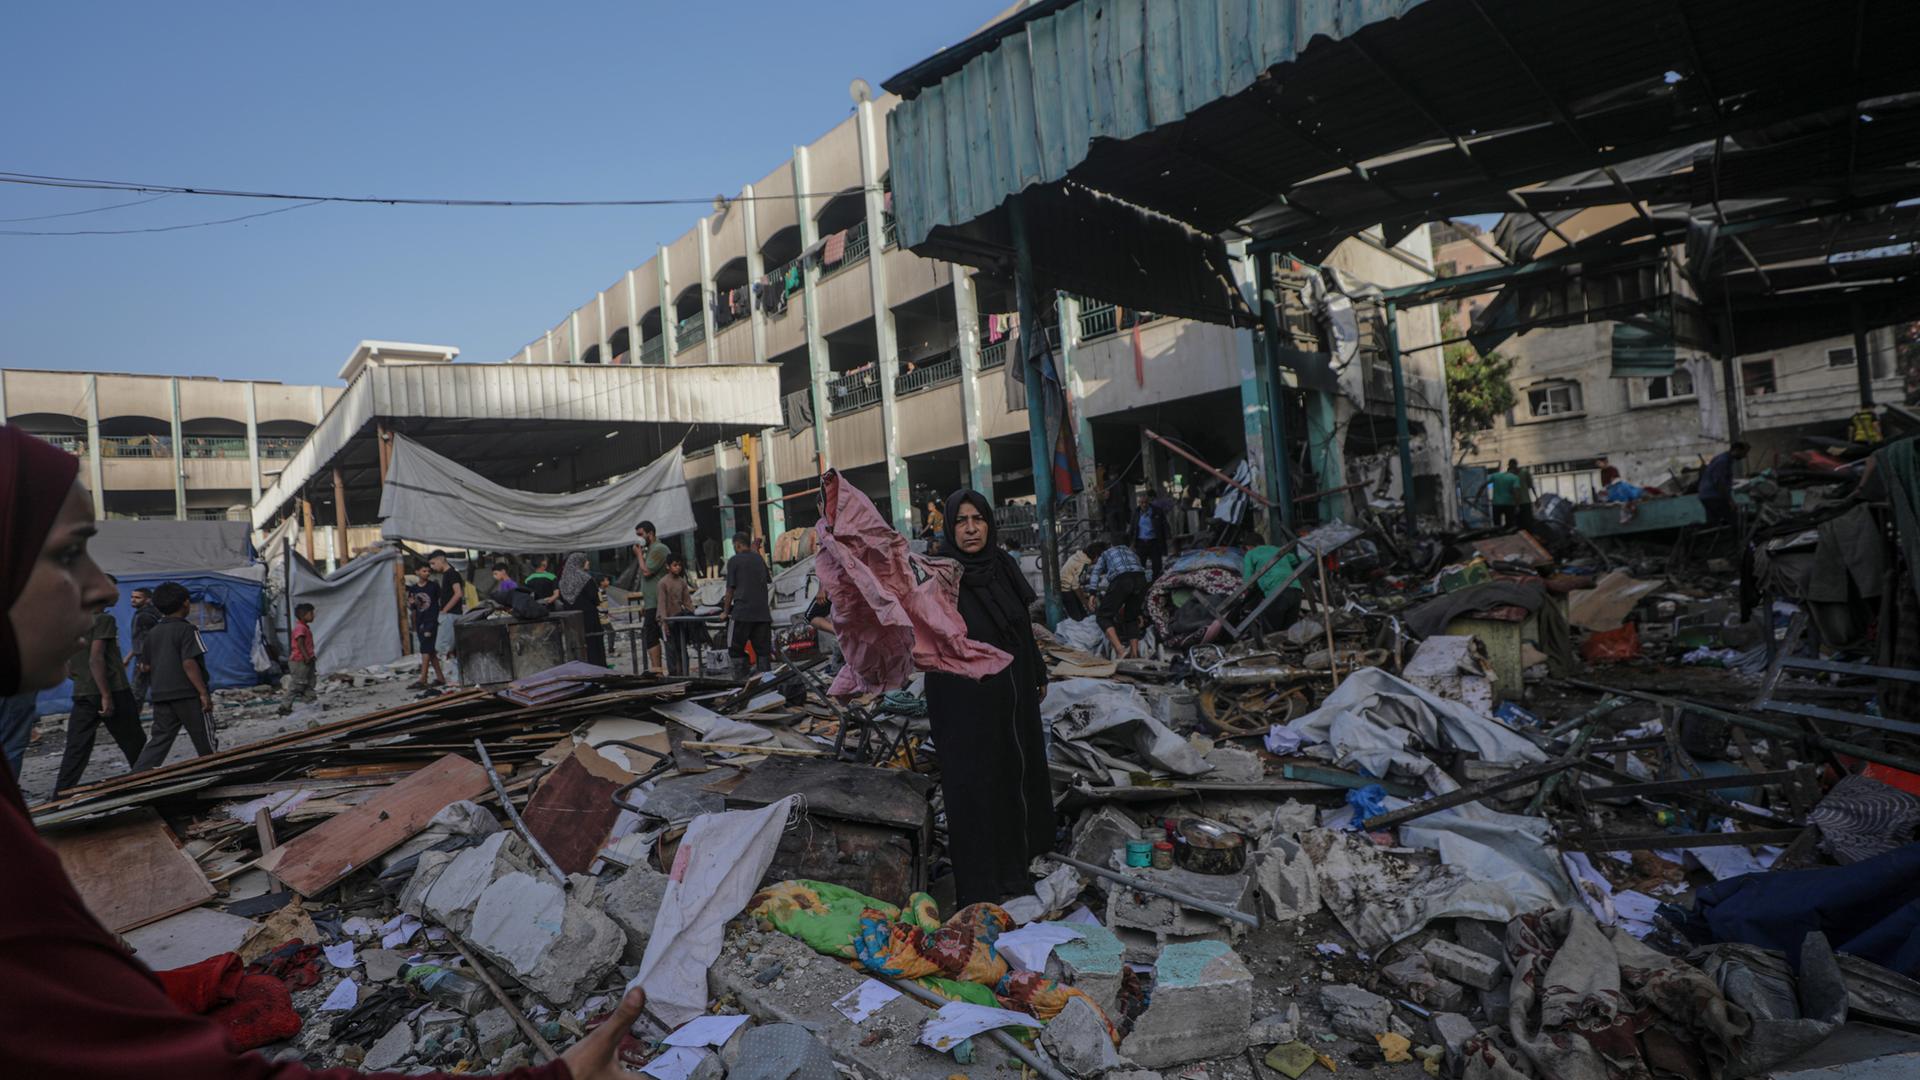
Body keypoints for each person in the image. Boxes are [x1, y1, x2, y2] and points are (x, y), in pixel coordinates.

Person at [0, 427, 657, 1078]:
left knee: (173, 749)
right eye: (68, 554)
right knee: (173, 750)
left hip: (170, 704)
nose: (102, 587)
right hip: (176, 701)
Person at [923, 489, 1053, 905]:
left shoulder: (1003, 567)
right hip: (964, 704)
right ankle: (979, 889)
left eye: (977, 519)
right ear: (949, 527)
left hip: (1012, 698)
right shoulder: (940, 577)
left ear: (990, 523)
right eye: (961, 521)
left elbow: (1020, 626)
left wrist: (1037, 669)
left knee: (1014, 779)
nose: (971, 528)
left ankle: (1016, 875)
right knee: (974, 788)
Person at [54, 577, 146, 795]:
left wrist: (78, 677)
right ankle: (149, 783)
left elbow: (65, 659)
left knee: (77, 748)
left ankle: (60, 795)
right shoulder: (103, 620)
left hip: (83, 692)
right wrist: (106, 695)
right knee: (135, 743)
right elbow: (96, 658)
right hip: (113, 690)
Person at [128, 582, 215, 771]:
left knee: (159, 740)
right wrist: (203, 693)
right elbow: (189, 662)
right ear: (186, 604)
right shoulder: (188, 630)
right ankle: (215, 772)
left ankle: (137, 777)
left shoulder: (153, 633)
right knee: (204, 740)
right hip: (188, 694)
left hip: (161, 694)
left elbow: (145, 665)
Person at [1086, 533, 1150, 658]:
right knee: (1131, 617)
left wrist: (1092, 593)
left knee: (1103, 616)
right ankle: (1134, 654)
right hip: (1141, 580)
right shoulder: (1132, 552)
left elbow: (1095, 573)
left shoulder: (1106, 553)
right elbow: (1142, 570)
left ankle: (1120, 651)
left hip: (1122, 580)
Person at [723, 530, 772, 677]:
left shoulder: (734, 561)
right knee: (763, 652)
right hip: (762, 614)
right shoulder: (759, 559)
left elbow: (730, 590)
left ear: (737, 545)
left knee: (735, 649)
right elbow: (767, 580)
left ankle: (740, 683)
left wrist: (725, 611)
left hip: (742, 613)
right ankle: (767, 685)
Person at [555, 552, 608, 668]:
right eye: (585, 560)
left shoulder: (562, 582)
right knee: (594, 646)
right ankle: (597, 671)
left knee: (576, 646)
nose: (588, 562)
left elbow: (563, 601)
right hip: (589, 618)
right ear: (578, 562)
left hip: (572, 621)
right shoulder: (585, 578)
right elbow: (595, 598)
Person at [1238, 542, 1305, 634]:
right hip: (1296, 589)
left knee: (1270, 633)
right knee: (1288, 633)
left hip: (1276, 592)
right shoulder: (1277, 549)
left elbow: (1247, 580)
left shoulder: (1250, 553)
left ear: (1248, 546)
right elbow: (1300, 559)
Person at [407, 563, 448, 687]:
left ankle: (423, 679)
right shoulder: (413, 589)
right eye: (424, 571)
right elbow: (413, 607)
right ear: (417, 572)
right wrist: (411, 603)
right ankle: (440, 678)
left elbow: (440, 602)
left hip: (431, 621)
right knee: (430, 651)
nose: (427, 573)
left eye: (428, 571)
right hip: (420, 621)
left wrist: (440, 618)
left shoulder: (434, 586)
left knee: (425, 648)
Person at [657, 552, 696, 676]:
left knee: (682, 648)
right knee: (670, 650)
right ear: (668, 566)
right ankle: (673, 674)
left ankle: (685, 674)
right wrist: (664, 622)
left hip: (679, 619)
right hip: (666, 620)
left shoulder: (682, 582)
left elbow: (687, 601)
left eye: (679, 565)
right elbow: (661, 603)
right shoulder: (663, 583)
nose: (678, 567)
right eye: (675, 565)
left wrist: (693, 615)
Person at [277, 602, 318, 715]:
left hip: (307, 660)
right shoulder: (300, 628)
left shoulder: (305, 628)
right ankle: (284, 707)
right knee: (297, 684)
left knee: (309, 682)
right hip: (300, 661)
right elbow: (300, 644)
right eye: (311, 613)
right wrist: (306, 657)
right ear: (303, 615)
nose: (313, 616)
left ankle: (311, 703)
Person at [1699, 441, 1748, 531]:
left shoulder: (1723, 458)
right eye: (1744, 452)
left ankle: (1713, 543)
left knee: (1713, 525)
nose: (1745, 456)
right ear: (1736, 450)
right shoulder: (1723, 461)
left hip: (1706, 495)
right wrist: (1730, 501)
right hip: (1713, 496)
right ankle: (1737, 543)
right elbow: (1719, 483)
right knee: (1734, 520)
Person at [127, 584, 159, 714]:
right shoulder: (145, 613)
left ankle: (133, 717)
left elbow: (148, 640)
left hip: (146, 658)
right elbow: (140, 640)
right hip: (146, 657)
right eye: (132, 597)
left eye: (137, 598)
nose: (133, 600)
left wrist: (145, 660)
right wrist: (128, 657)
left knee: (137, 689)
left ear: (147, 600)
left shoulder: (144, 616)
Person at [428, 549, 465, 654]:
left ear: (441, 559)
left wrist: (445, 610)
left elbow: (458, 593)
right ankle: (454, 669)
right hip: (450, 614)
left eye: (433, 563)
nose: (432, 567)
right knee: (451, 649)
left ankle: (454, 669)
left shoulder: (451, 573)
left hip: (450, 614)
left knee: (443, 647)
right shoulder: (447, 574)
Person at [1129, 489, 1171, 580]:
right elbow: (1132, 528)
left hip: (1154, 542)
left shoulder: (1157, 511)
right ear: (1139, 503)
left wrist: (1168, 539)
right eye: (1141, 503)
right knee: (1140, 567)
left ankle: (1156, 583)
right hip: (1141, 543)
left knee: (1157, 567)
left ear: (1149, 502)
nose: (1144, 505)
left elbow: (1165, 525)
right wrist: (1131, 543)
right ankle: (1142, 585)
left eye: (1146, 502)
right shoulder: (1136, 513)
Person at [1058, 540, 1105, 621]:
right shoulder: (1083, 563)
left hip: (1068, 589)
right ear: (1097, 556)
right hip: (1066, 591)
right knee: (1078, 619)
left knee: (1083, 616)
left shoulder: (1079, 556)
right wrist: (1086, 603)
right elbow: (1075, 586)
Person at [1487, 460, 1524, 529]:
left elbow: (1483, 485)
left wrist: (1477, 497)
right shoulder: (1515, 478)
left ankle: (1498, 536)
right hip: (1509, 504)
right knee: (1509, 525)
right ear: (1515, 470)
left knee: (1497, 525)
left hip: (1496, 504)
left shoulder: (1496, 475)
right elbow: (1516, 492)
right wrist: (1517, 505)